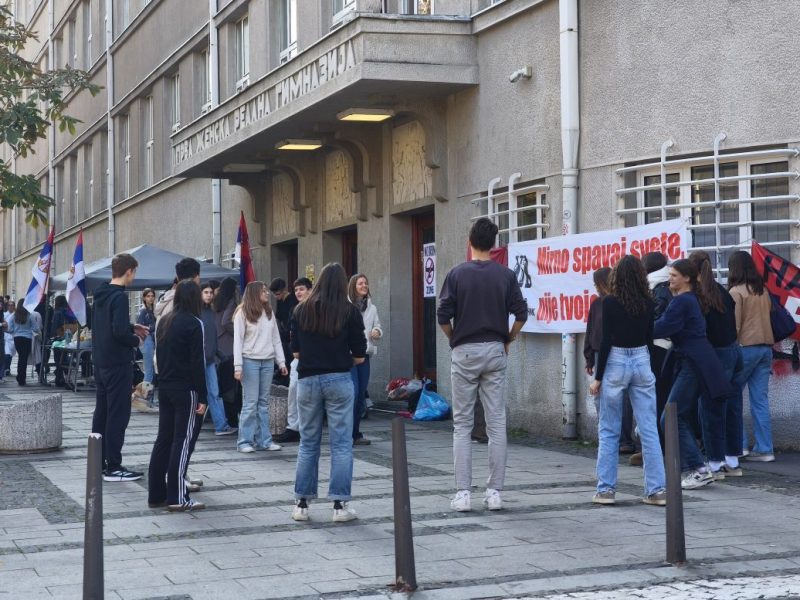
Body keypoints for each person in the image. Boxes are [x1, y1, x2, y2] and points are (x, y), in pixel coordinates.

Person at [437, 217, 528, 512]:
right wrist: (508, 340)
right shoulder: (505, 275)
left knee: (462, 424)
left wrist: (454, 339)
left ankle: (463, 493)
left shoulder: (456, 274)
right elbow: (521, 314)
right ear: (494, 244)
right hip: (494, 349)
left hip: (464, 349)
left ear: (469, 241)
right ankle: (494, 492)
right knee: (496, 422)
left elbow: (442, 315)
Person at [289, 263, 366, 522]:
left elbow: (296, 352)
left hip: (308, 380)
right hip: (339, 379)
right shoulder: (350, 311)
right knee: (342, 444)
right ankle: (339, 506)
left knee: (308, 443)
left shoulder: (301, 310)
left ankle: (301, 504)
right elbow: (359, 353)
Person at [588, 255, 666, 506]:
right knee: (649, 429)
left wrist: (598, 378)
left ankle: (606, 490)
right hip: (642, 359)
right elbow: (650, 338)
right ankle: (656, 490)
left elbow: (606, 341)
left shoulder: (608, 303)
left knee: (609, 429)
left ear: (616, 277)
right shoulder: (648, 302)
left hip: (617, 361)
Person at [653, 259, 731, 489]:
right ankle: (697, 466)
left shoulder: (682, 302)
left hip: (692, 363)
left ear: (687, 278)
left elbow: (663, 327)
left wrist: (637, 326)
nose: (670, 279)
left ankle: (698, 469)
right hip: (696, 360)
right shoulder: (690, 299)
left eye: (674, 275)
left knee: (671, 416)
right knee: (680, 415)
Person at [148, 280, 209, 512]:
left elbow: (159, 355)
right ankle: (177, 497)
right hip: (186, 389)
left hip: (166, 386)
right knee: (182, 442)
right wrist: (203, 395)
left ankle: (156, 494)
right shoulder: (194, 323)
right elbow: (197, 363)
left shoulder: (165, 321)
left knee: (163, 439)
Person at [91, 253, 149, 482]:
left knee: (102, 412)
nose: (134, 277)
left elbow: (106, 326)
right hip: (117, 364)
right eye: (134, 272)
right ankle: (114, 466)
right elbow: (118, 333)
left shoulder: (101, 294)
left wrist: (131, 326)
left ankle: (97, 460)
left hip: (101, 362)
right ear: (129, 272)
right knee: (118, 415)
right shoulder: (120, 298)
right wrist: (136, 340)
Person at [689, 251, 742, 478]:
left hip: (713, 355)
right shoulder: (721, 291)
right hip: (733, 351)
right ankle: (732, 461)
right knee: (731, 408)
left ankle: (714, 463)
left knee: (710, 409)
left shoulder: (698, 295)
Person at [728, 250, 775, 462]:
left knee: (733, 397)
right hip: (766, 348)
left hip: (744, 348)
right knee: (760, 401)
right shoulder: (762, 290)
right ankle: (765, 449)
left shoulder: (735, 292)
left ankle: (740, 446)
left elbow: (734, 326)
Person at [234, 281, 288, 453]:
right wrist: (238, 366)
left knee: (263, 403)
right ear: (254, 293)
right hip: (249, 361)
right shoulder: (242, 313)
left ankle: (265, 440)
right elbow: (238, 342)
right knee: (250, 403)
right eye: (264, 291)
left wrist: (281, 362)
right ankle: (244, 441)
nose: (267, 293)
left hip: (268, 361)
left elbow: (276, 339)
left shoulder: (269, 312)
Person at [274, 277, 313, 444]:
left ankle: (305, 427)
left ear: (310, 290)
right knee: (294, 391)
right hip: (297, 357)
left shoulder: (315, 309)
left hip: (312, 358)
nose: (298, 292)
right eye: (296, 289)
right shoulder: (295, 309)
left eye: (302, 289)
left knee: (308, 395)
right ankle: (292, 427)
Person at [643, 251, 674, 454]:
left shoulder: (659, 289)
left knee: (658, 397)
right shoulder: (659, 287)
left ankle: (661, 447)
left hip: (659, 348)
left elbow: (656, 320)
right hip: (661, 347)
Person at [348, 273, 382, 446]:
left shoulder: (372, 307)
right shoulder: (346, 305)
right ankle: (346, 433)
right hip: (348, 356)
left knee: (360, 395)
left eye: (366, 283)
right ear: (353, 286)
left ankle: (355, 433)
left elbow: (378, 326)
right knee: (352, 394)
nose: (364, 286)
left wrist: (377, 332)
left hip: (365, 355)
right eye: (360, 283)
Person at [200, 282, 236, 436]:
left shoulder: (211, 311)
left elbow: (212, 336)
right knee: (201, 394)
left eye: (210, 292)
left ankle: (221, 425)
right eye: (205, 292)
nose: (209, 295)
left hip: (210, 360)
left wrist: (220, 354)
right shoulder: (197, 312)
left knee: (214, 393)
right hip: (199, 360)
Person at [214, 277, 240, 427]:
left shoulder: (216, 302)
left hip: (219, 348)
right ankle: (233, 420)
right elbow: (226, 321)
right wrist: (239, 333)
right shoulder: (231, 302)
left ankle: (227, 418)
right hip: (230, 348)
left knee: (223, 386)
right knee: (231, 388)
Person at [2, 300, 40, 386]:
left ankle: (20, 377)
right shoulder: (29, 315)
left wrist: (6, 331)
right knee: (24, 358)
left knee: (21, 357)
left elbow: (10, 329)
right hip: (27, 339)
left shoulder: (14, 316)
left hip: (17, 339)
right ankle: (21, 377)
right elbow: (36, 328)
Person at [269, 277, 298, 386]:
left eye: (278, 294)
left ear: (284, 290)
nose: (276, 297)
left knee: (289, 359)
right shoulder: (280, 301)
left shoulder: (292, 300)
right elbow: (279, 317)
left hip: (290, 334)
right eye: (274, 295)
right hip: (283, 335)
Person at [49, 295, 77, 387]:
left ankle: (59, 378)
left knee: (58, 359)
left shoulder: (57, 312)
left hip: (59, 338)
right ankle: (65, 378)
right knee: (64, 358)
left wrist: (52, 337)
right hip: (68, 337)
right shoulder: (69, 312)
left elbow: (55, 327)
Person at [136, 288, 157, 399]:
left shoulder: (152, 310)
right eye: (148, 296)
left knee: (152, 371)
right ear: (144, 297)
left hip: (152, 341)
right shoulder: (143, 310)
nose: (151, 298)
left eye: (152, 296)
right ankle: (145, 398)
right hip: (146, 340)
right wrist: (153, 327)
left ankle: (149, 399)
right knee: (149, 370)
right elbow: (139, 327)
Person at [3, 300, 15, 379]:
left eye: (12, 305)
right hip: (6, 336)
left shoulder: (16, 315)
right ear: (7, 306)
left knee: (11, 354)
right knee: (7, 353)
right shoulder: (4, 314)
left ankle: (8, 367)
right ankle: (6, 368)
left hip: (13, 336)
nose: (10, 307)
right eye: (9, 305)